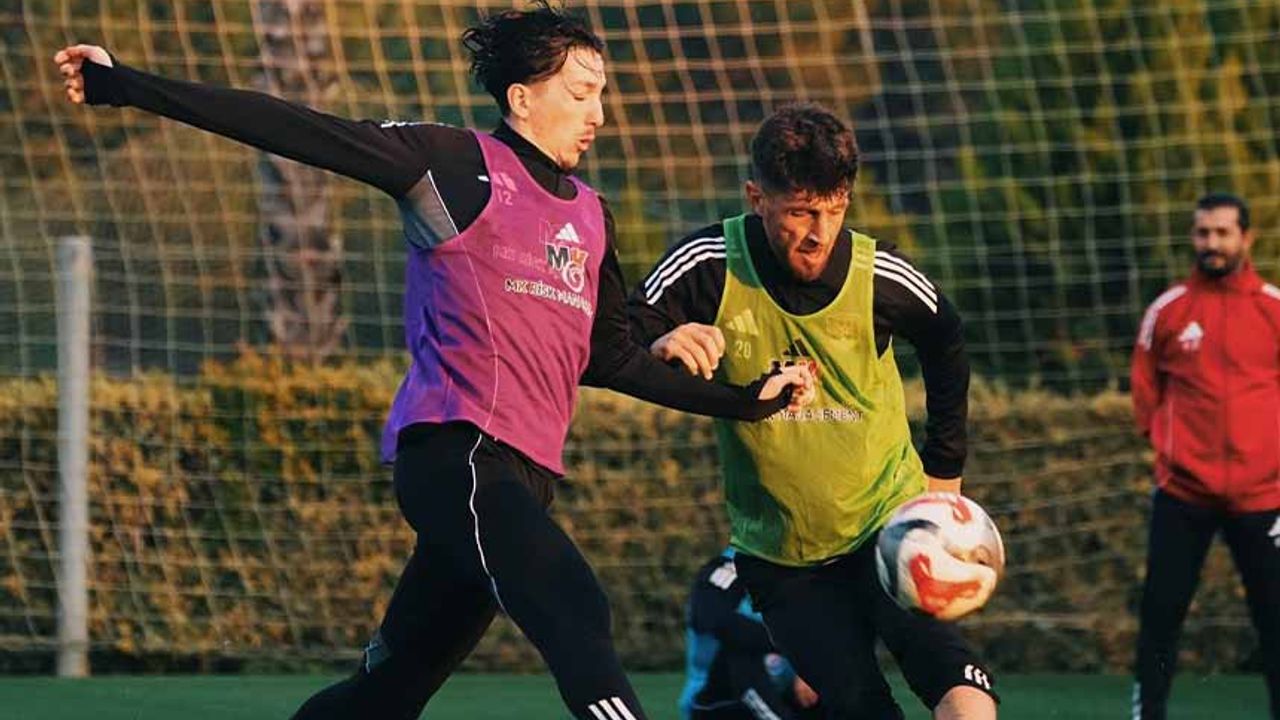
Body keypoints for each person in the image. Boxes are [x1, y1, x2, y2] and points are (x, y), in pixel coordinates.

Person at [54, 5, 813, 719]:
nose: (599, 115)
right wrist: (125, 84)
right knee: (573, 604)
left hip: (524, 480)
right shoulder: (451, 165)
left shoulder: (591, 214)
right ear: (521, 98)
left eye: (603, 95)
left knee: (386, 694)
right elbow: (295, 128)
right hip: (456, 456)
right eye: (582, 93)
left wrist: (747, 400)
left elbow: (608, 357)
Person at [628, 103, 998, 719]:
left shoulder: (879, 274)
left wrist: (945, 472)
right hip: (783, 560)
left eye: (834, 209)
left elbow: (947, 338)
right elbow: (615, 337)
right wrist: (657, 341)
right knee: (856, 707)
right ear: (757, 198)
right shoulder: (709, 263)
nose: (819, 233)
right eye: (800, 211)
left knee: (952, 675)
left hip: (890, 525)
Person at [1129, 192, 1280, 720]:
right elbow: (1145, 390)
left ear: (1245, 238)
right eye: (1202, 233)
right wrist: (1171, 450)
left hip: (1266, 497)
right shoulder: (1168, 310)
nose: (1211, 243)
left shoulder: (1273, 308)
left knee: (1275, 620)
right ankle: (1148, 714)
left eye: (1222, 233)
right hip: (1183, 494)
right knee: (1161, 614)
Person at [680, 548, 821, 719]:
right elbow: (711, 618)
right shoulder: (728, 569)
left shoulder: (804, 572)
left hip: (786, 693)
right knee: (742, 649)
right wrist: (791, 648)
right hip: (723, 701)